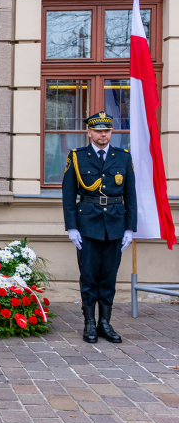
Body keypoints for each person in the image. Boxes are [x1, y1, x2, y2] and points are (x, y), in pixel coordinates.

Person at [63, 111, 136, 344]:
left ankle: (105, 322)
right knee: (89, 276)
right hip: (88, 225)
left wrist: (130, 228)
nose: (103, 134)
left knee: (108, 277)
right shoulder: (77, 157)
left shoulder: (123, 157)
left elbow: (131, 195)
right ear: (89, 132)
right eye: (98, 130)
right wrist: (72, 227)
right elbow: (68, 196)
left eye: (107, 130)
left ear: (111, 132)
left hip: (115, 224)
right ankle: (89, 323)